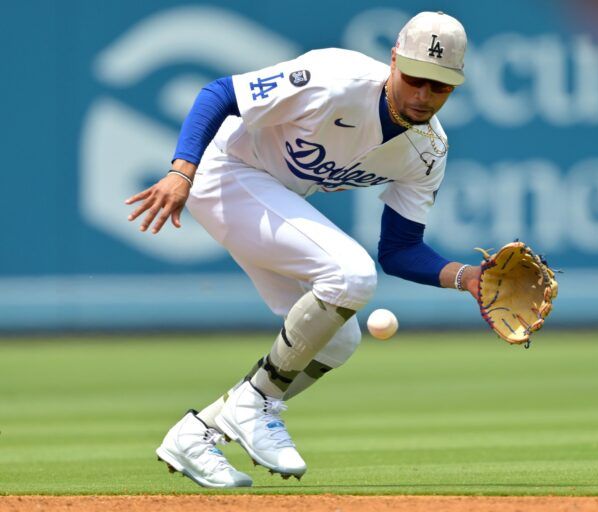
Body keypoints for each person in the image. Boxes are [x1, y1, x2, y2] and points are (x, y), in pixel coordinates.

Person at [126, 11, 478, 488]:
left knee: (338, 338)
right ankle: (254, 405)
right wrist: (181, 172)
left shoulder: (428, 150)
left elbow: (399, 250)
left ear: (454, 86)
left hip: (271, 196)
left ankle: (199, 433)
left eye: (438, 87)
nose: (422, 95)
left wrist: (467, 278)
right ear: (393, 61)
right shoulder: (337, 78)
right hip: (225, 170)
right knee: (351, 277)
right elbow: (220, 93)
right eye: (414, 78)